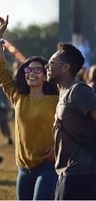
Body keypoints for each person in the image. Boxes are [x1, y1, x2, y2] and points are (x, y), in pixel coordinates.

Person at [0, 15, 59, 200]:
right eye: (28, 70)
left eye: (38, 70)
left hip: (47, 167)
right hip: (23, 168)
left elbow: (69, 127)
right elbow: (0, 69)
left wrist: (58, 147)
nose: (32, 73)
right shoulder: (18, 97)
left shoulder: (56, 100)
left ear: (46, 75)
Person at [45, 42, 96, 200]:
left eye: (51, 62)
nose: (47, 66)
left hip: (80, 175)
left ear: (65, 67)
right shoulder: (64, 92)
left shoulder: (78, 91)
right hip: (67, 172)